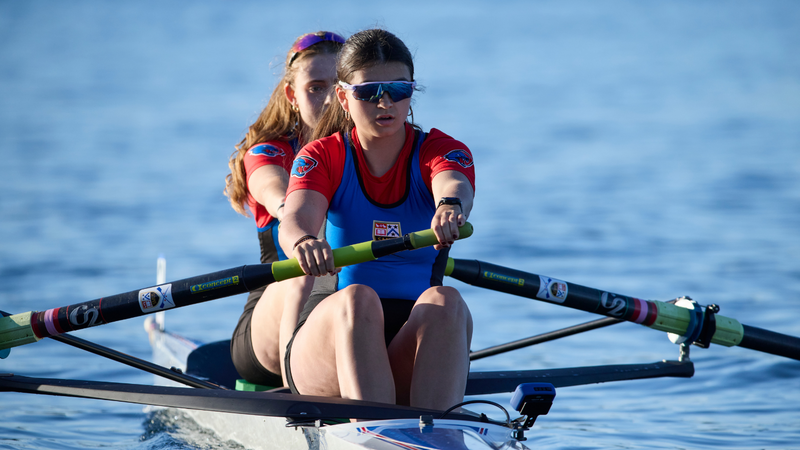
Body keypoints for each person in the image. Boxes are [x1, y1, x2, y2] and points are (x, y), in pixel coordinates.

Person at [279, 29, 476, 410]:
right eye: (369, 91)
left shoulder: (441, 149)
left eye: (399, 90)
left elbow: (453, 182)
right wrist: (304, 242)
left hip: (407, 342)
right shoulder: (322, 157)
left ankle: (435, 429)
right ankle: (374, 429)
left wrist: (450, 205)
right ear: (342, 96)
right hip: (325, 343)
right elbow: (295, 218)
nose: (385, 102)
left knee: (447, 300)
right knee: (358, 297)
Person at [224, 31, 345, 387]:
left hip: (346, 305)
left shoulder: (366, 153)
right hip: (268, 327)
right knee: (301, 271)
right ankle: (296, 394)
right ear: (292, 94)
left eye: (336, 86)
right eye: (315, 87)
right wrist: (294, 211)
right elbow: (273, 191)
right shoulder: (269, 153)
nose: (327, 100)